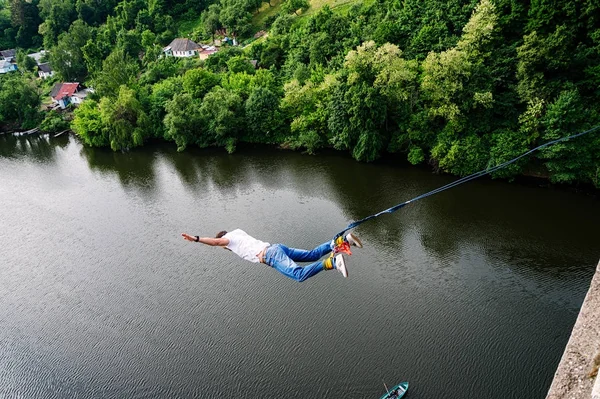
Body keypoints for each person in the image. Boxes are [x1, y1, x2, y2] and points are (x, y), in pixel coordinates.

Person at [181, 229, 363, 282]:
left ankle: (332, 262)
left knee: (298, 275)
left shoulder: (228, 240)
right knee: (311, 255)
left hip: (270, 255)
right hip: (276, 248)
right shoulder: (237, 232)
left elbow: (216, 242)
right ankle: (341, 241)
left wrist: (196, 239)